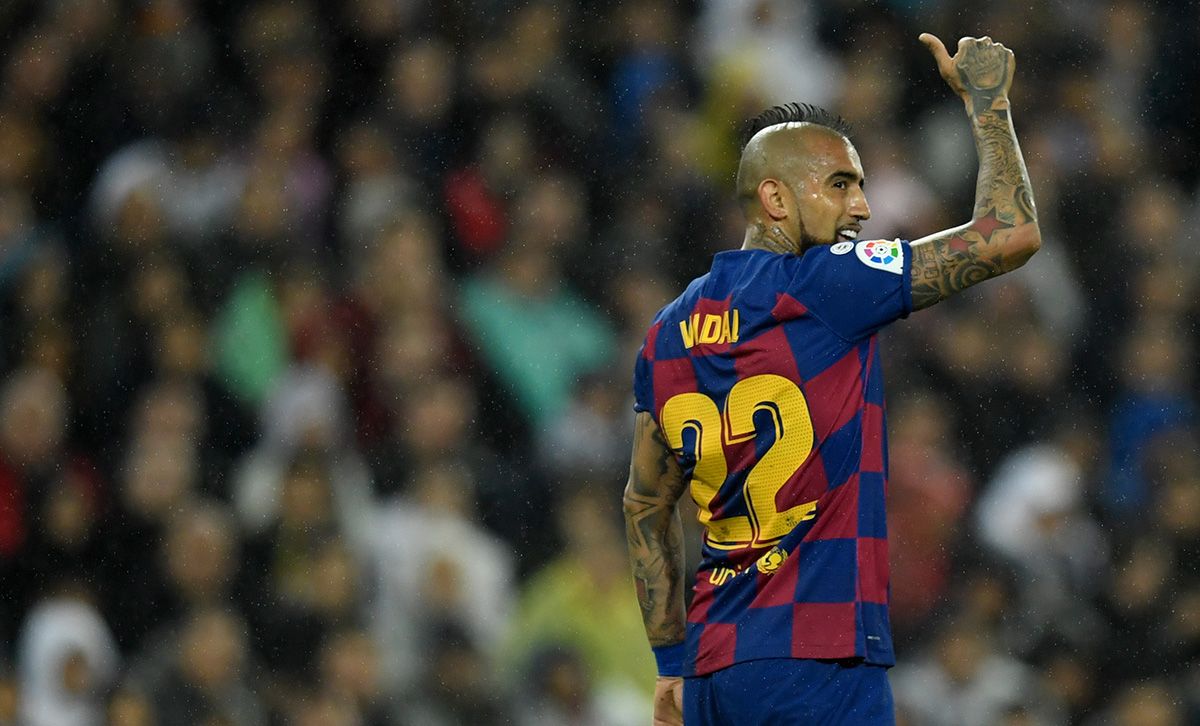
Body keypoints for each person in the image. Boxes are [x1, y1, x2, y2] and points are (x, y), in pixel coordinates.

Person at [622, 33, 1041, 726]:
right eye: (841, 184)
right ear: (776, 198)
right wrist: (989, 103)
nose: (862, 209)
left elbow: (645, 505)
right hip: (821, 662)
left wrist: (672, 664)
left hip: (716, 670)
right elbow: (1011, 232)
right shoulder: (829, 284)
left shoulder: (665, 332)